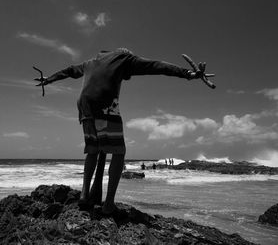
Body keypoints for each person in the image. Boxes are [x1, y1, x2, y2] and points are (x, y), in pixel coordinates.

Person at [38, 48, 201, 214]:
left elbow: (70, 70)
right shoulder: (124, 58)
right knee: (119, 151)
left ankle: (84, 195)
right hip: (105, 104)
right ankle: (108, 204)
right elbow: (156, 66)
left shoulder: (91, 62)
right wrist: (187, 73)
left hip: (84, 105)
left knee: (93, 150)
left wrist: (49, 79)